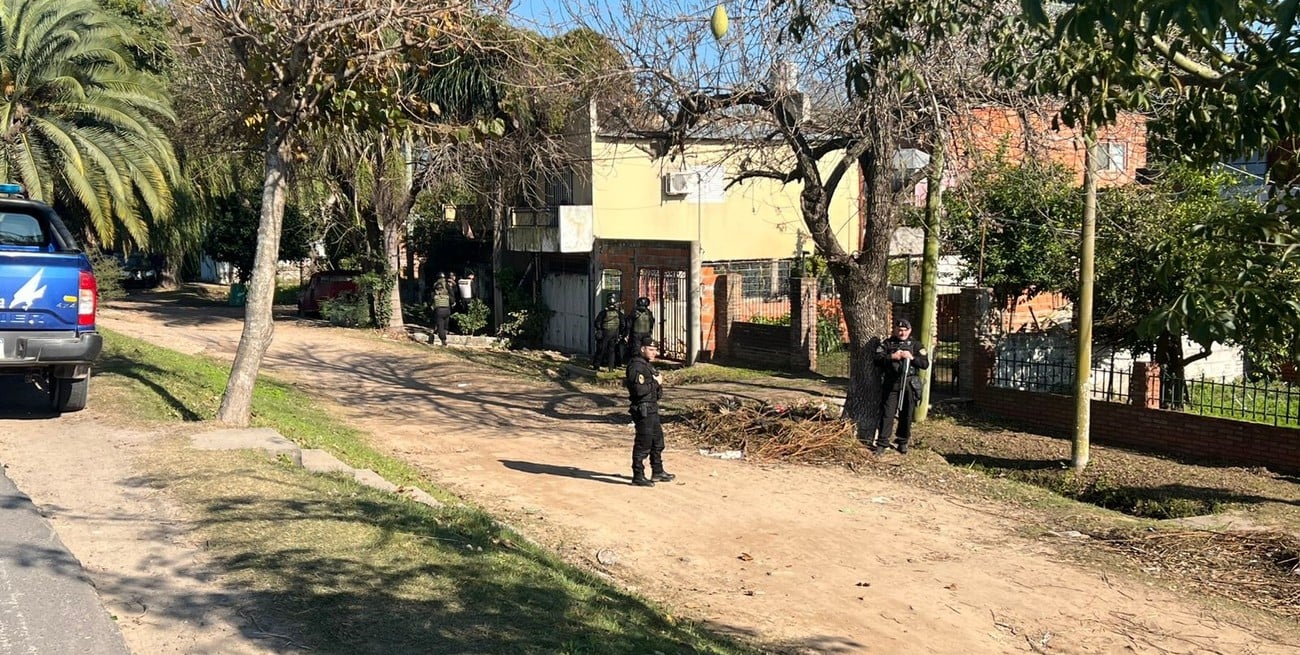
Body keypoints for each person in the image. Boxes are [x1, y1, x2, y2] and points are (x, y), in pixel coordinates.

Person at [872, 317, 929, 455]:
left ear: (909, 331)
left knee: (907, 413)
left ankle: (902, 441)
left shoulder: (916, 345)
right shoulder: (888, 344)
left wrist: (912, 358)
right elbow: (877, 359)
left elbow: (925, 364)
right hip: (892, 383)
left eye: (905, 330)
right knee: (887, 413)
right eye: (899, 330)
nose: (902, 333)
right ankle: (882, 442)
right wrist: (892, 357)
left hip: (909, 383)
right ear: (895, 330)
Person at [625, 336, 675, 487]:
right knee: (643, 443)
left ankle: (657, 471)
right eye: (651, 349)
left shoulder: (647, 365)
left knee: (657, 441)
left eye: (655, 350)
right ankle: (638, 475)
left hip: (652, 407)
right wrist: (656, 383)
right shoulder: (636, 366)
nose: (654, 353)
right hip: (643, 409)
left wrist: (657, 385)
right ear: (642, 349)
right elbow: (639, 390)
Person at [593, 296, 624, 371]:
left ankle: (596, 366)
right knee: (612, 351)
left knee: (601, 350)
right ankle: (611, 367)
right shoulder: (618, 313)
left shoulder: (603, 312)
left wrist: (599, 329)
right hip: (614, 333)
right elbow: (623, 323)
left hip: (605, 333)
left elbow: (597, 322)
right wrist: (620, 333)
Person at [430, 272, 453, 346]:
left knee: (440, 325)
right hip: (447, 308)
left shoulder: (435, 286)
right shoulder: (446, 285)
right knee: (444, 324)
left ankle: (443, 339)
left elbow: (431, 298)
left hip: (439, 309)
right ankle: (442, 332)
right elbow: (451, 295)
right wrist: (452, 302)